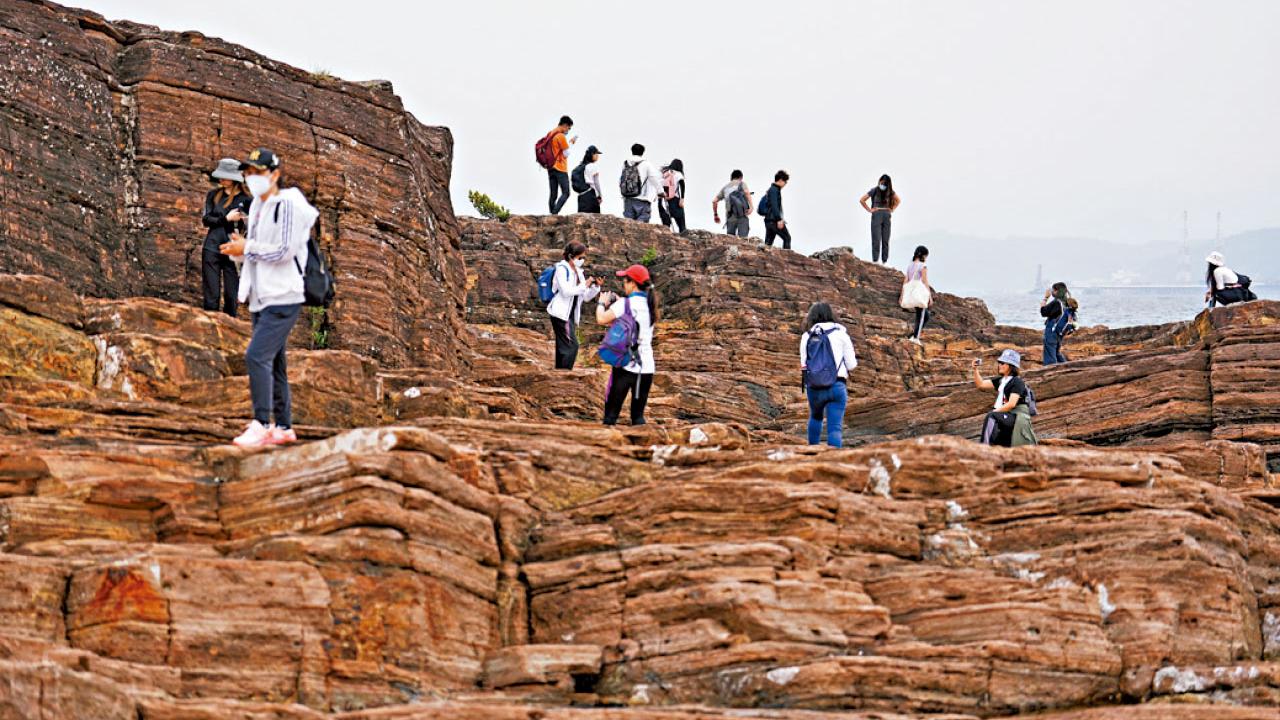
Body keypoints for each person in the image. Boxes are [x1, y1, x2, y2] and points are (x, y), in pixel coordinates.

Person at [218, 148, 319, 448]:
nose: (252, 178)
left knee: (256, 355)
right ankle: (284, 427)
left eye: (258, 173)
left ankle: (262, 423)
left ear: (274, 175)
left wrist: (247, 248)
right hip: (263, 297)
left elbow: (284, 251)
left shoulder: (285, 204)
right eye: (248, 173)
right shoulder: (259, 209)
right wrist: (240, 251)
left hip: (284, 296)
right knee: (274, 361)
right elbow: (258, 252)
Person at [596, 264, 658, 425]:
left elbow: (601, 319)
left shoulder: (624, 304)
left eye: (625, 280)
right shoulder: (651, 305)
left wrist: (601, 303)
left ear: (632, 283)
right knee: (638, 418)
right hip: (646, 368)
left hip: (625, 366)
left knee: (610, 417)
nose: (624, 284)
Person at [799, 302, 858, 448]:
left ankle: (812, 453)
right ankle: (833, 460)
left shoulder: (806, 336)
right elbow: (852, 365)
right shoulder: (841, 335)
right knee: (835, 427)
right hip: (837, 385)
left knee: (815, 418)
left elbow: (804, 364)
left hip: (814, 387)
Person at [200, 159, 252, 317]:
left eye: (224, 176)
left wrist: (245, 221)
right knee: (211, 297)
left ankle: (228, 334)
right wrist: (226, 219)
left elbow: (256, 224)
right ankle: (210, 333)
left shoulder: (247, 199)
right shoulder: (213, 195)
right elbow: (206, 220)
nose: (220, 179)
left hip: (233, 253)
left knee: (231, 297)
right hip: (212, 248)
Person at [547, 241, 601, 369]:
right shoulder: (561, 269)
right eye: (580, 257)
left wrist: (595, 287)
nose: (582, 260)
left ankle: (560, 373)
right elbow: (566, 292)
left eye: (584, 258)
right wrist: (584, 285)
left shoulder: (579, 272)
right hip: (560, 313)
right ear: (571, 256)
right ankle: (565, 374)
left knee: (563, 346)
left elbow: (585, 296)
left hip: (570, 314)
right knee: (572, 345)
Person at [973, 349, 1038, 447]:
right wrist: (975, 370)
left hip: (1017, 416)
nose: (1000, 365)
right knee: (1000, 439)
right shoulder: (1001, 381)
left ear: (1011, 366)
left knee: (992, 416)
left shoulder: (1017, 382)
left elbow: (1011, 404)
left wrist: (994, 412)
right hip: (1008, 414)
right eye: (999, 362)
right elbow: (981, 385)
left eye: (1003, 363)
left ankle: (984, 447)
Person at [859, 174, 900, 264]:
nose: (882, 185)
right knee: (876, 239)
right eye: (881, 183)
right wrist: (869, 210)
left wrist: (892, 209)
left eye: (885, 184)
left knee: (885, 239)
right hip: (876, 214)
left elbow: (898, 200)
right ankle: (875, 261)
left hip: (887, 215)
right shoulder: (874, 190)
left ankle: (884, 262)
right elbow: (862, 200)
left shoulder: (890, 192)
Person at [620, 144, 663, 223]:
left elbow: (622, 179)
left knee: (628, 224)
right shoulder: (646, 164)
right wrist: (660, 191)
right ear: (643, 152)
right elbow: (654, 178)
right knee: (642, 225)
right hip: (643, 199)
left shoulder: (625, 163)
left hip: (628, 198)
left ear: (632, 151)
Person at [543, 116, 576, 215]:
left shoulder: (551, 133)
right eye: (569, 128)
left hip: (550, 167)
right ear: (565, 125)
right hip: (560, 168)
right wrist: (571, 143)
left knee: (553, 194)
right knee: (566, 192)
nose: (568, 130)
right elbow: (566, 154)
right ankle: (554, 214)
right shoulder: (560, 136)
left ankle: (551, 215)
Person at [902, 245, 933, 345]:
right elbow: (924, 281)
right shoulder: (922, 266)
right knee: (922, 315)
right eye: (926, 256)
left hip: (912, 294)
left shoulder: (910, 266)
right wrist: (929, 296)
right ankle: (916, 338)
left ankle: (913, 335)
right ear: (923, 255)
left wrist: (902, 296)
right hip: (919, 294)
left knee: (924, 315)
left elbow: (906, 281)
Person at [1040, 282, 1076, 365]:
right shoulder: (1067, 303)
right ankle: (1066, 369)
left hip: (1051, 332)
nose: (1052, 292)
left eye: (1053, 290)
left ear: (1056, 291)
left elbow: (1043, 312)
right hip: (1060, 332)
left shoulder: (1056, 303)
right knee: (1057, 353)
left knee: (1050, 356)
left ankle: (1051, 373)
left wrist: (1045, 298)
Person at [712, 170, 753, 238]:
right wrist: (751, 207)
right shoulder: (742, 183)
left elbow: (714, 201)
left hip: (730, 216)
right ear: (741, 177)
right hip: (742, 215)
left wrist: (716, 215)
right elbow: (747, 193)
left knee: (730, 239)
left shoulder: (725, 187)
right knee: (743, 239)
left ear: (731, 178)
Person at [761, 170, 791, 250]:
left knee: (767, 244)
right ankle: (788, 261)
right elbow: (775, 206)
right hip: (773, 221)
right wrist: (779, 220)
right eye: (785, 182)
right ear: (781, 180)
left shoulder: (772, 189)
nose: (785, 184)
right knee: (787, 238)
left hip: (768, 221)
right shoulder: (774, 190)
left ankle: (763, 261)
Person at [658, 159, 687, 234]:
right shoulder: (678, 173)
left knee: (666, 226)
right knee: (681, 225)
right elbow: (682, 185)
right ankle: (684, 240)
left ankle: (666, 240)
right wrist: (682, 199)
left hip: (662, 201)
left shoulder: (664, 173)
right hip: (674, 201)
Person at [574, 145, 604, 214]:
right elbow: (596, 182)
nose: (597, 156)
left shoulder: (580, 166)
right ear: (592, 154)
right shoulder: (592, 166)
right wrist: (600, 196)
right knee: (595, 220)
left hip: (581, 197)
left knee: (583, 220)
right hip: (591, 196)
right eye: (596, 154)